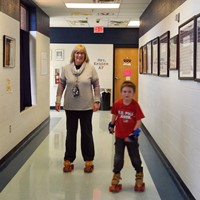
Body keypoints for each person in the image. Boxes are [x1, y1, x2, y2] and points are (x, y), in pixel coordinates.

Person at [55, 44, 100, 173]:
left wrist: (97, 100)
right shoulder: (66, 68)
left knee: (86, 133)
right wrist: (58, 100)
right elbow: (61, 85)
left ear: (85, 55)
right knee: (71, 133)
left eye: (82, 53)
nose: (79, 55)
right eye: (77, 53)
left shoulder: (91, 68)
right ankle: (69, 159)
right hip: (70, 106)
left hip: (86, 107)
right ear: (73, 55)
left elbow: (96, 85)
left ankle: (88, 159)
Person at [108, 81, 145, 192]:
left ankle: (139, 175)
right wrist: (111, 124)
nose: (127, 94)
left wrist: (134, 133)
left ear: (133, 93)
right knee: (118, 158)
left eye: (129, 92)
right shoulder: (118, 104)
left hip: (131, 136)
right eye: (124, 91)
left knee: (135, 157)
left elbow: (139, 122)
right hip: (119, 135)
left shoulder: (135, 105)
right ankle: (116, 175)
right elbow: (115, 115)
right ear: (121, 92)